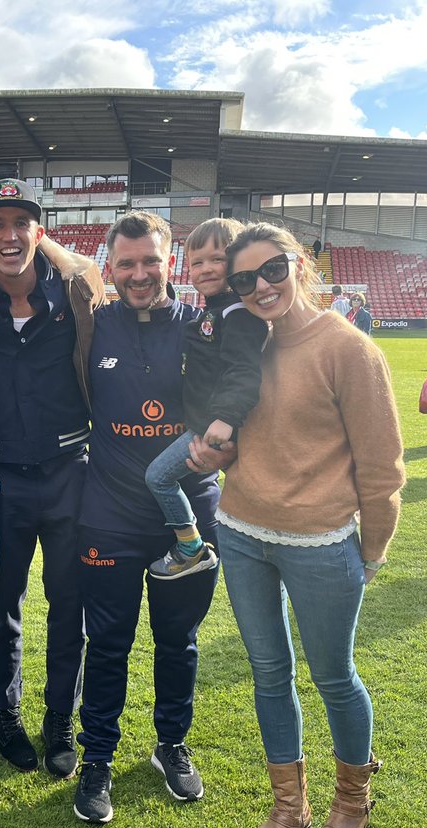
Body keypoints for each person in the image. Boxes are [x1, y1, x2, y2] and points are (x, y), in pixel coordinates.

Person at [219, 222, 405, 828]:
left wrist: (374, 549)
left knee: (332, 676)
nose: (261, 287)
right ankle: (289, 806)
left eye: (272, 269)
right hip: (240, 532)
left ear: (298, 264)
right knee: (269, 677)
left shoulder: (349, 348)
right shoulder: (244, 340)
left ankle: (352, 798)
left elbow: (381, 467)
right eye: (245, 279)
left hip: (321, 543)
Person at [72, 212, 234, 825]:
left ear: (170, 261)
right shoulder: (91, 324)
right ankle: (98, 759)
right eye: (126, 263)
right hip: (108, 512)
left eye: (150, 261)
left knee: (178, 640)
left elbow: (247, 389)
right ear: (108, 268)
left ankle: (171, 745)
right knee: (108, 643)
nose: (139, 274)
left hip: (189, 516)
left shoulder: (204, 325)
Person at [0, 178, 102, 779]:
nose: (10, 236)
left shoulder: (75, 289)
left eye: (22, 223)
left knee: (69, 606)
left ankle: (59, 721)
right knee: (2, 605)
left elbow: (101, 293)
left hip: (71, 469)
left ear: (40, 231)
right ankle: (6, 715)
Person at [143, 217, 267, 580]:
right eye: (197, 262)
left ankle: (191, 547)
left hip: (210, 429)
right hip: (199, 423)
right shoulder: (212, 312)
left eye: (217, 259)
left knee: (158, 477)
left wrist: (225, 420)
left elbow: (244, 371)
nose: (206, 269)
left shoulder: (239, 313)